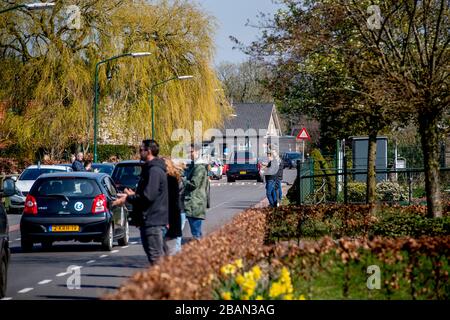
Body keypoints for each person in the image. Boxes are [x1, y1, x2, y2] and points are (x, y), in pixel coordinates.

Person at [112, 140, 168, 265]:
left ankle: (161, 283)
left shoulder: (154, 170)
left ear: (148, 151)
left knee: (156, 259)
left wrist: (128, 198)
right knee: (158, 257)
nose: (139, 152)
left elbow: (149, 196)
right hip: (152, 220)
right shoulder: (152, 169)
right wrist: (132, 195)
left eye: (141, 149)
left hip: (153, 221)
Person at [184, 144, 208, 240]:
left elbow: (194, 184)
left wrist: (182, 180)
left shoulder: (199, 167)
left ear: (198, 152)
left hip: (195, 203)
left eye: (191, 152)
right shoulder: (194, 165)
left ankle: (200, 252)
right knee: (196, 232)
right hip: (193, 202)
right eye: (188, 152)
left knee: (196, 234)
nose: (189, 154)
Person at [162, 157, 182, 256]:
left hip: (170, 218)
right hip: (171, 218)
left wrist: (169, 221)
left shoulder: (170, 180)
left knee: (169, 250)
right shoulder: (172, 179)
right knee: (168, 248)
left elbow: (172, 202)